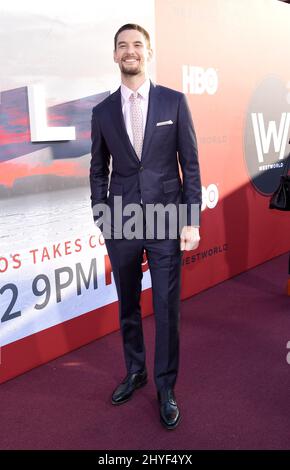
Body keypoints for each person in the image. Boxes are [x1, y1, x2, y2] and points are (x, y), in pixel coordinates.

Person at [90, 23, 202, 430]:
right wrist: (101, 215)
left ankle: (166, 386)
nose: (130, 51)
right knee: (128, 305)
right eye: (123, 46)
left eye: (137, 44)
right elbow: (97, 170)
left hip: (166, 221)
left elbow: (190, 166)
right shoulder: (102, 112)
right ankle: (135, 371)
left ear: (149, 53)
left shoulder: (174, 102)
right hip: (120, 223)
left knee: (167, 307)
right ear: (115, 55)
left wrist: (191, 220)